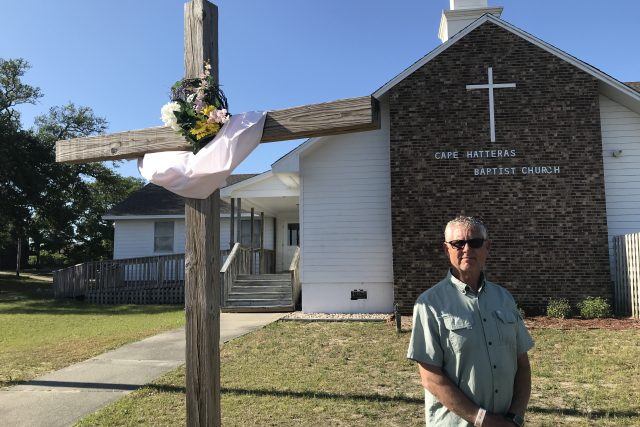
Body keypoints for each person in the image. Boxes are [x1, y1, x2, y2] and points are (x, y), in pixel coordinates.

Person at [407, 216, 533, 427]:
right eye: (458, 243)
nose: (467, 249)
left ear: (487, 247)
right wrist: (484, 420)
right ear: (447, 250)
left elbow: (522, 365)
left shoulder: (504, 299)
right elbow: (431, 378)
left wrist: (515, 417)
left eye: (475, 242)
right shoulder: (429, 304)